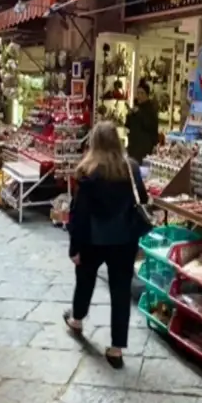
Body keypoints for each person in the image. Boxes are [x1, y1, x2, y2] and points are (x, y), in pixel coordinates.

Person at [65, 120, 149, 368]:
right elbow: (142, 200)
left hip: (93, 238)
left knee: (85, 279)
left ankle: (77, 320)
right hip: (124, 239)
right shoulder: (131, 168)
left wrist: (75, 247)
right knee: (121, 291)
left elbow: (79, 214)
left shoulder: (87, 171)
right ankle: (116, 348)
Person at [125, 79, 159, 164]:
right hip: (133, 147)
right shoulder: (136, 107)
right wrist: (129, 115)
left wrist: (139, 114)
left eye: (142, 93)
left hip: (144, 149)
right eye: (138, 93)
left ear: (147, 95)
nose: (139, 96)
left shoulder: (151, 109)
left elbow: (150, 126)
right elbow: (128, 125)